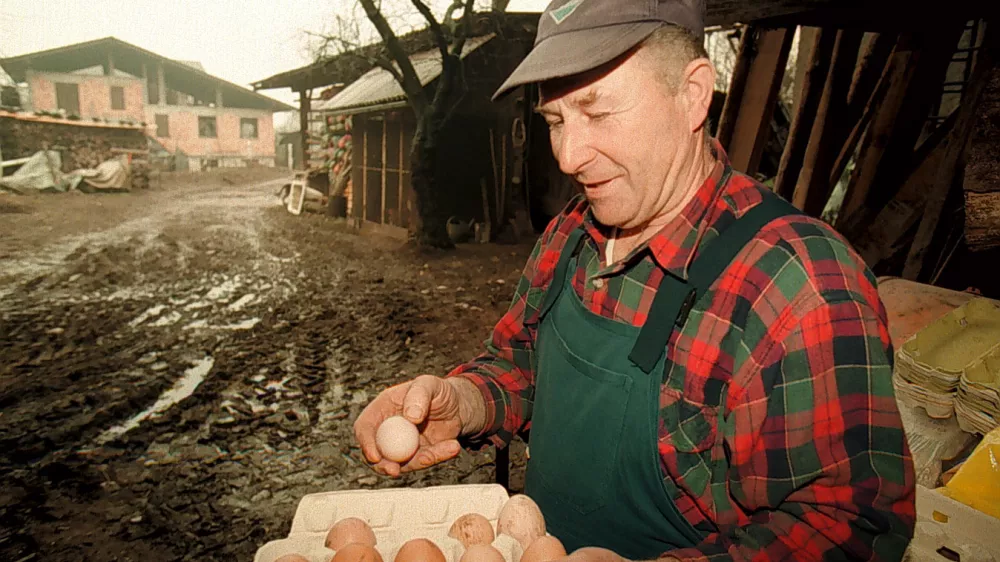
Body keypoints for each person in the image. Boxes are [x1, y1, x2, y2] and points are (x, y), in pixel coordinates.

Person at [354, 1, 917, 560]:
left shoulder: (797, 286)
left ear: (692, 94)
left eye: (597, 113)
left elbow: (846, 530)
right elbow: (521, 365)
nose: (570, 156)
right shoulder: (571, 233)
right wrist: (465, 401)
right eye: (555, 121)